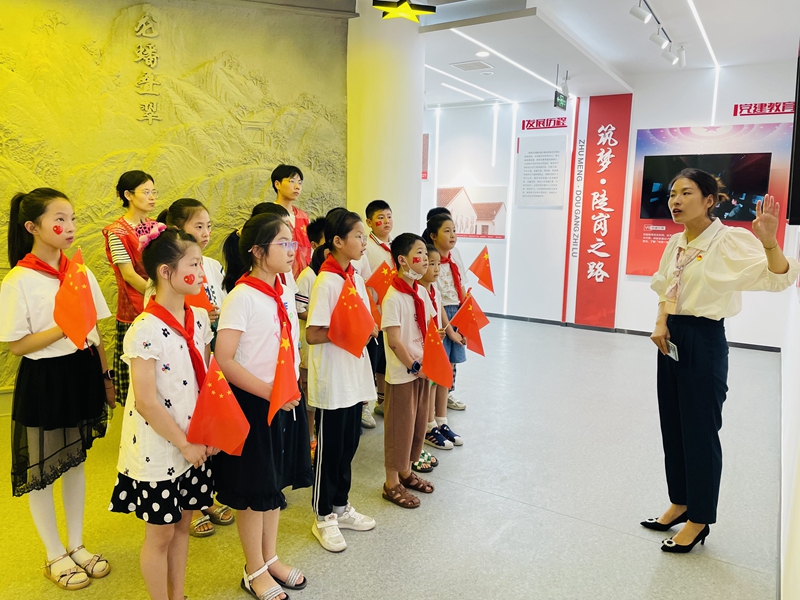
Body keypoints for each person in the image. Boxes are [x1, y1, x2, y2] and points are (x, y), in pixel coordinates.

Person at [646, 168, 800, 553]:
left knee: (700, 430)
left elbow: (779, 278)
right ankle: (680, 502)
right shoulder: (677, 242)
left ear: (710, 201)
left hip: (703, 339)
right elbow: (666, 288)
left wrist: (769, 242)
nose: (675, 201)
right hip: (671, 337)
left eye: (686, 193)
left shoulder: (728, 240)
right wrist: (661, 322)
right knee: (673, 425)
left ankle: (699, 519)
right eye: (672, 193)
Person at [1, 188, 113, 590]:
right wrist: (63, 328)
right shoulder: (19, 280)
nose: (69, 227)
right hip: (46, 378)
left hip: (82, 370)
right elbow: (17, 345)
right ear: (33, 227)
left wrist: (105, 377)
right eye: (59, 219)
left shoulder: (78, 270)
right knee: (43, 470)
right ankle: (54, 554)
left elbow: (94, 329)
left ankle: (77, 544)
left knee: (75, 461)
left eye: (72, 218)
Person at [110, 225, 216, 599]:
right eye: (194, 265)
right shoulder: (145, 329)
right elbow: (146, 401)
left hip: (192, 441)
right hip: (159, 449)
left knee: (183, 526)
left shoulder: (198, 318)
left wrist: (206, 434)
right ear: (166, 272)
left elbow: (206, 381)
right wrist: (184, 444)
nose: (202, 274)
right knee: (160, 535)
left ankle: (178, 594)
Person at [215, 213, 311, 600]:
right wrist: (271, 393)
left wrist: (289, 389)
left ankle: (270, 558)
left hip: (283, 399)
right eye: (282, 243)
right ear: (257, 251)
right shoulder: (242, 296)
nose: (291, 250)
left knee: (273, 486)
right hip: (255, 404)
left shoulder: (283, 288)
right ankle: (253, 569)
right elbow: (224, 359)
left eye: (292, 242)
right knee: (255, 493)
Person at [157, 198, 234, 537]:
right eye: (198, 226)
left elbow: (221, 300)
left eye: (208, 226)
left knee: (208, 422)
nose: (205, 232)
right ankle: (191, 504)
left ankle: (205, 497)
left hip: (208, 348)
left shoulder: (212, 265)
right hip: (178, 361)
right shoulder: (166, 272)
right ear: (178, 229)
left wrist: (214, 314)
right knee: (184, 428)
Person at [305, 210, 378, 552]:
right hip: (334, 380)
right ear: (337, 241)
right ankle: (323, 517)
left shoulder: (355, 279)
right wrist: (350, 330)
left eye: (364, 236)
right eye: (358, 236)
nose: (364, 242)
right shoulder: (327, 281)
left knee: (349, 443)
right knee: (330, 449)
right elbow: (314, 333)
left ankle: (340, 505)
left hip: (353, 375)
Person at [381, 233, 436, 508]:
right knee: (399, 428)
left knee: (417, 424)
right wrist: (414, 366)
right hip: (404, 373)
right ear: (402, 260)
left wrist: (430, 363)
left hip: (423, 370)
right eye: (419, 253)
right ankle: (391, 483)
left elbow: (429, 329)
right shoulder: (393, 297)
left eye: (426, 253)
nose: (425, 259)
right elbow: (394, 341)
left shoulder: (421, 292)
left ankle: (405, 472)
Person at [103, 170, 158, 406]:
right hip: (134, 309)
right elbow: (128, 274)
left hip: (159, 305)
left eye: (154, 192)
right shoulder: (116, 232)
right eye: (146, 192)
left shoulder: (157, 227)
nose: (152, 197)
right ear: (128, 195)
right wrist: (159, 295)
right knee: (137, 382)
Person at [420, 244, 464, 455]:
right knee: (431, 382)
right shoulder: (419, 292)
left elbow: (440, 313)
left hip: (439, 340)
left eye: (438, 264)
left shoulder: (434, 291)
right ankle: (429, 426)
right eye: (431, 264)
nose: (437, 269)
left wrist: (451, 331)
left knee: (442, 377)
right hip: (427, 344)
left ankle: (441, 421)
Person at [425, 213, 468, 411]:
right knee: (439, 363)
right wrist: (449, 330)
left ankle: (446, 397)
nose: (453, 235)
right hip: (441, 314)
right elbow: (437, 299)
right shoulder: (431, 260)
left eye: (454, 231)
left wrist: (465, 319)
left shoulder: (455, 254)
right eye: (447, 231)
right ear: (433, 236)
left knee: (451, 361)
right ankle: (432, 406)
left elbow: (462, 285)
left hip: (457, 310)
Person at [296, 246, 328, 460]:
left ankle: (316, 432)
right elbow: (299, 309)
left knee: (318, 391)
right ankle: (308, 437)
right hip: (309, 340)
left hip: (323, 341)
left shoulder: (332, 277)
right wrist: (324, 317)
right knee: (308, 391)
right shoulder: (308, 276)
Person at [364, 200, 394, 419]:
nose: (386, 221)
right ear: (369, 222)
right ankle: (364, 406)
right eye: (380, 218)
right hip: (372, 312)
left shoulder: (395, 245)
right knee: (371, 360)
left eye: (389, 216)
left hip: (389, 312)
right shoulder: (366, 247)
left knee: (386, 360)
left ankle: (382, 401)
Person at [271, 164, 312, 278]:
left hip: (303, 279)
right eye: (292, 181)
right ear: (277, 184)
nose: (297, 186)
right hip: (279, 277)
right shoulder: (269, 214)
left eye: (300, 182)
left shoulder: (304, 217)